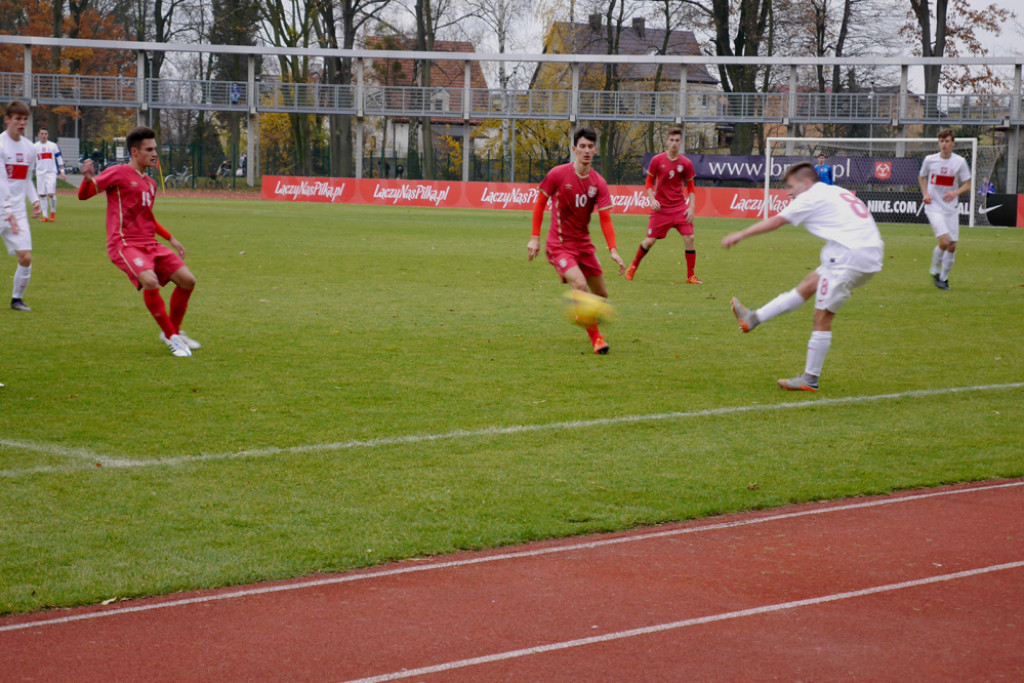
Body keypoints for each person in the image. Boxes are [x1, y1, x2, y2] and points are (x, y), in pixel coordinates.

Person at [722, 161, 883, 392]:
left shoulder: (811, 196)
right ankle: (753, 318)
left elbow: (777, 221)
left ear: (806, 182)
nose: (789, 192)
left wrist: (740, 234)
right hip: (865, 253)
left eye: (791, 186)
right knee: (808, 285)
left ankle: (810, 379)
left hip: (848, 257)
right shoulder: (834, 191)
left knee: (822, 317)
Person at [78, 126, 200, 358]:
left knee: (187, 281)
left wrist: (170, 238)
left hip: (150, 244)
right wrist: (87, 179)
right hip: (124, 243)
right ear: (134, 152)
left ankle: (172, 331)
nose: (154, 154)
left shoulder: (150, 184)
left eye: (155, 149)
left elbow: (147, 218)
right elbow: (84, 195)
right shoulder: (118, 172)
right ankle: (172, 338)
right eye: (149, 150)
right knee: (150, 280)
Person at [527, 126, 626, 354]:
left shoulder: (598, 182)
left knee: (601, 296)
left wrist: (613, 250)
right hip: (559, 245)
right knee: (580, 285)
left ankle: (581, 313)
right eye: (582, 146)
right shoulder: (558, 174)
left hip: (584, 246)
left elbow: (605, 219)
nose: (586, 150)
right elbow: (540, 203)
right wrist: (534, 238)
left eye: (590, 147)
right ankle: (597, 340)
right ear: (574, 149)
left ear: (595, 150)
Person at [625, 127, 701, 283]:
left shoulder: (686, 163)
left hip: (679, 208)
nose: (674, 143)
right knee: (649, 241)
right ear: (667, 141)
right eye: (671, 140)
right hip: (661, 209)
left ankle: (691, 276)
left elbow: (691, 187)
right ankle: (633, 267)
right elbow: (648, 182)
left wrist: (692, 207)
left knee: (690, 237)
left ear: (681, 142)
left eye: (677, 140)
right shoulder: (657, 160)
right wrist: (652, 200)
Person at [1, 100, 42, 312]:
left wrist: (35, 200)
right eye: (18, 118)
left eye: (25, 119)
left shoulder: (29, 148)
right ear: (7, 120)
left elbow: (26, 180)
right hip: (4, 208)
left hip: (17, 211)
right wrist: (7, 209)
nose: (22, 123)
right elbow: (1, 181)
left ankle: (17, 299)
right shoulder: (0, 145)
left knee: (25, 257)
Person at [918, 128, 971, 291]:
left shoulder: (960, 162)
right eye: (941, 141)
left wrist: (955, 192)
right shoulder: (930, 160)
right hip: (934, 206)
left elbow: (967, 185)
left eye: (947, 141)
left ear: (953, 143)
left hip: (951, 208)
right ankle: (934, 269)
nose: (944, 144)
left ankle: (943, 278)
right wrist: (925, 194)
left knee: (952, 245)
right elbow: (922, 177)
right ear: (938, 143)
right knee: (944, 241)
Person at [33, 125, 65, 222]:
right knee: (42, 195)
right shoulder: (35, 147)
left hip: (51, 173)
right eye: (42, 134)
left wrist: (62, 171)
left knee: (51, 194)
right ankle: (45, 216)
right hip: (40, 173)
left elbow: (59, 158)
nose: (44, 136)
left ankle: (53, 213)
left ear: (48, 135)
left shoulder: (53, 145)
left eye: (45, 134)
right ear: (39, 135)